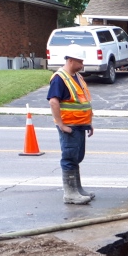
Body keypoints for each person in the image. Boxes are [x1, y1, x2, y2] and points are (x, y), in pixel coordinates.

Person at [47, 44, 95, 205]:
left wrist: (88, 123)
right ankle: (70, 193)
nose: (82, 65)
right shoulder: (60, 78)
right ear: (72, 60)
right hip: (69, 126)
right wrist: (61, 124)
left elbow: (83, 102)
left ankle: (77, 189)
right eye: (80, 61)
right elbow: (54, 101)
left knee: (77, 157)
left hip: (80, 125)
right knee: (69, 157)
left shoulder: (77, 77)